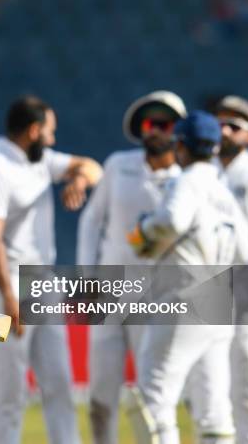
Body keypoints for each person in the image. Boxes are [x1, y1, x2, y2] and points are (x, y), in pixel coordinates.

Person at [0, 95, 102, 444]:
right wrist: (7, 297)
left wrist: (78, 182)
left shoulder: (40, 161)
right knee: (9, 390)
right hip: (7, 282)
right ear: (33, 131)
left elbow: (92, 167)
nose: (54, 140)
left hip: (43, 281)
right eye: (50, 132)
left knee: (59, 382)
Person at [127, 111, 248, 444]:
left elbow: (172, 221)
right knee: (214, 411)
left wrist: (144, 231)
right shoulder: (223, 190)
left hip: (183, 299)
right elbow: (245, 250)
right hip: (219, 299)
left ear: (181, 145)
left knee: (153, 399)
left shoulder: (186, 181)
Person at [77, 90, 185, 444]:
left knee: (150, 395)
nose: (154, 130)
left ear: (177, 130)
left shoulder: (187, 181)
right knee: (100, 397)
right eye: (149, 123)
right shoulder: (118, 164)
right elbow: (92, 221)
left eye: (164, 123)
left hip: (155, 296)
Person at [195, 95, 248, 444]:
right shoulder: (201, 175)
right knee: (207, 393)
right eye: (220, 123)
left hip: (247, 296)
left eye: (235, 126)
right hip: (207, 294)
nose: (225, 130)